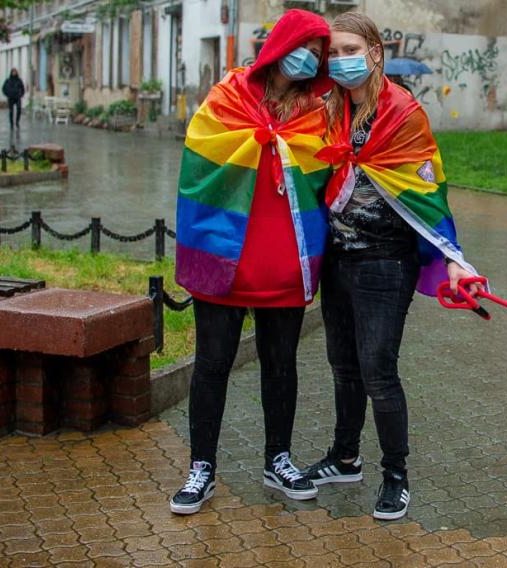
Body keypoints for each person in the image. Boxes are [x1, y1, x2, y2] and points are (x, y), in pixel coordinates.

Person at [301, 11, 481, 521]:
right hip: (338, 260)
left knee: (378, 371)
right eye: (332, 53)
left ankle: (396, 475)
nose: (341, 61)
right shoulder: (328, 109)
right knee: (342, 366)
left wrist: (452, 260)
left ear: (374, 52)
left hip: (386, 264)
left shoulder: (402, 112)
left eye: (349, 50)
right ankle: (344, 458)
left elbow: (427, 194)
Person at [170, 9, 333, 515]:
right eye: (303, 46)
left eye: (318, 54)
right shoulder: (228, 96)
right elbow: (200, 157)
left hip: (284, 265)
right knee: (212, 365)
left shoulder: (316, 114)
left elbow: (328, 173)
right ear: (279, 46)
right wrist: (257, 142)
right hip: (224, 260)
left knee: (281, 365)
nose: (308, 59)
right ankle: (202, 467)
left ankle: (278, 458)